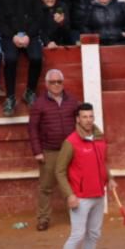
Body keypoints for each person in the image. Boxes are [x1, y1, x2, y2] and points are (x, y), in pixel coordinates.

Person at [53, 103, 111, 249]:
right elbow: (59, 171)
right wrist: (69, 194)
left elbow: (103, 163)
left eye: (90, 116)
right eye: (84, 117)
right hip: (80, 197)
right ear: (78, 119)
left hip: (98, 194)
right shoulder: (71, 142)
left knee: (93, 234)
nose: (88, 120)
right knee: (77, 235)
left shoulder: (100, 139)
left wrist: (110, 178)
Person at [28, 68, 77, 232]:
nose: (56, 85)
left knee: (72, 185)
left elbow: (80, 124)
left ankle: (75, 217)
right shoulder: (39, 104)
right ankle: (43, 218)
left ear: (63, 83)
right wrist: (37, 151)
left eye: (59, 82)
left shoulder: (72, 101)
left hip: (70, 151)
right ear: (47, 84)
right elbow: (33, 129)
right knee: (46, 187)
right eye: (53, 82)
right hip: (49, 151)